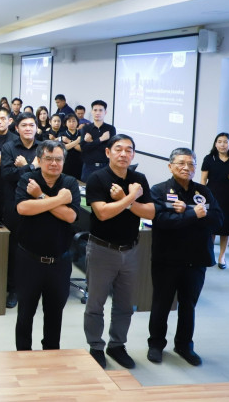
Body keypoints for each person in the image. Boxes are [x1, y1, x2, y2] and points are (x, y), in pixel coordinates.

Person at [83, 134, 154, 369]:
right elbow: (103, 213)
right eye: (118, 149)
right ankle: (96, 346)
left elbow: (150, 213)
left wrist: (125, 200)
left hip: (131, 250)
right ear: (108, 152)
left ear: (133, 154)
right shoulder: (97, 178)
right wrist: (131, 197)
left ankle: (117, 345)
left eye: (128, 150)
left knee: (125, 305)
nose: (124, 154)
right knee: (96, 304)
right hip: (102, 249)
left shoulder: (139, 178)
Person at [147, 148, 222, 366]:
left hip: (196, 260)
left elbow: (218, 220)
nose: (186, 168)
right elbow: (162, 221)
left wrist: (189, 212)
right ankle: (156, 344)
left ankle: (184, 345)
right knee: (161, 304)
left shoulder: (203, 191)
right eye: (181, 163)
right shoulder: (159, 190)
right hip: (167, 259)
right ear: (170, 166)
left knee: (188, 306)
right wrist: (194, 214)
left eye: (191, 164)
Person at [14, 140, 79, 350]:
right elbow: (24, 208)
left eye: (58, 159)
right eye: (48, 159)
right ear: (39, 160)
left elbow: (70, 216)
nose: (53, 163)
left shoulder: (69, 183)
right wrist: (58, 200)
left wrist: (40, 197)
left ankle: (51, 355)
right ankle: (23, 355)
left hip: (59, 261)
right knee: (25, 313)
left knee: (54, 314)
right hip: (29, 260)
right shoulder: (28, 179)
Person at [0, 113, 39, 308]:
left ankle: (33, 287)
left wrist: (23, 168)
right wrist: (32, 167)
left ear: (37, 128)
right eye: (24, 125)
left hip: (39, 205)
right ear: (17, 128)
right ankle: (13, 289)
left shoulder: (44, 148)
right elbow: (7, 175)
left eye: (32, 125)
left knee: (36, 246)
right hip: (14, 204)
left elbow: (49, 176)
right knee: (14, 248)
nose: (28, 128)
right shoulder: (9, 147)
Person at [200, 133, 229, 269]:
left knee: (226, 228)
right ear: (215, 144)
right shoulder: (209, 158)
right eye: (219, 141)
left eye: (225, 142)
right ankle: (210, 254)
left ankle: (222, 256)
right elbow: (203, 180)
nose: (222, 144)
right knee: (211, 226)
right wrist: (201, 198)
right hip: (211, 196)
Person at [79, 100, 116, 181]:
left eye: (100, 110)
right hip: (88, 167)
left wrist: (91, 142)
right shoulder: (86, 128)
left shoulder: (110, 129)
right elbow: (83, 148)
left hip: (105, 166)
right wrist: (101, 139)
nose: (97, 113)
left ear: (105, 112)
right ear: (92, 112)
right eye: (95, 110)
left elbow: (109, 149)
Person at [61, 114, 82, 180]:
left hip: (79, 163)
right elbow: (63, 148)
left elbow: (81, 149)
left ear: (77, 122)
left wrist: (68, 141)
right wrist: (77, 141)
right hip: (65, 163)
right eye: (69, 121)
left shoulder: (81, 134)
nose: (72, 123)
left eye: (73, 121)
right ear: (65, 123)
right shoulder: (62, 134)